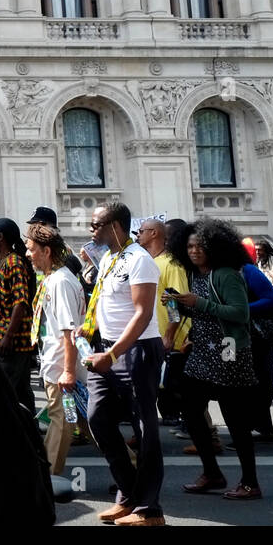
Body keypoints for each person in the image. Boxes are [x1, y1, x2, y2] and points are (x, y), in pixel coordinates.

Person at [84, 203, 166, 525]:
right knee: (97, 418)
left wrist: (114, 354)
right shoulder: (108, 258)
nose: (92, 230)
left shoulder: (139, 260)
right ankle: (129, 493)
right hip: (107, 351)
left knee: (145, 429)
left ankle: (149, 510)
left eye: (97, 224)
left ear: (116, 226)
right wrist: (88, 328)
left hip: (136, 352)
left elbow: (142, 313)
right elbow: (107, 305)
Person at [167, 220, 260, 499]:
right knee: (192, 411)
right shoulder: (195, 274)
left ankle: (250, 482)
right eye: (190, 246)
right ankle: (212, 472)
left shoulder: (226, 274)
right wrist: (177, 305)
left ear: (215, 248)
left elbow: (240, 314)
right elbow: (204, 312)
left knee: (235, 420)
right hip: (203, 351)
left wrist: (198, 303)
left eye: (200, 246)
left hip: (228, 351)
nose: (194, 251)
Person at [25, 224, 84, 476]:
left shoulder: (60, 282)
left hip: (62, 368)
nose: (28, 254)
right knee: (80, 420)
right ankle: (130, 465)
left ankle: (49, 473)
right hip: (55, 365)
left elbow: (69, 331)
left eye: (31, 249)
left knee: (61, 417)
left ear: (46, 251)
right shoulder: (53, 278)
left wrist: (68, 372)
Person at [138, 219, 191, 425]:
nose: (138, 235)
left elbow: (175, 301)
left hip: (170, 340)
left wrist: (169, 335)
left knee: (175, 391)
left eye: (141, 231)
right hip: (150, 337)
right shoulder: (145, 261)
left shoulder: (171, 264)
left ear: (154, 234)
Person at [0, 217, 36, 412]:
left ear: (0, 237)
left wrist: (8, 336)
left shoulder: (14, 263)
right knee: (22, 391)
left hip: (14, 343)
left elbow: (20, 303)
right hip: (14, 341)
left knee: (4, 391)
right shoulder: (5, 260)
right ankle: (29, 436)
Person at [241, 238, 273, 442]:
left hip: (258, 335)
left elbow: (270, 299)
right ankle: (264, 428)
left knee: (260, 381)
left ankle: (257, 429)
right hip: (243, 336)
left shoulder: (247, 270)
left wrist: (244, 309)